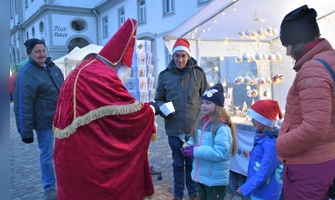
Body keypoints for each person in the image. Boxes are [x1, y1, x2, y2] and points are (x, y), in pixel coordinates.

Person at [52, 18, 158, 200]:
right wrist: (150, 111)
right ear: (119, 64)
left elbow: (104, 116)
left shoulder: (82, 69)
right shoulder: (102, 75)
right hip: (88, 157)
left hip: (67, 156)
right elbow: (129, 113)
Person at [275, 5, 335, 199]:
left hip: (308, 165)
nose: (286, 53)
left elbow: (314, 128)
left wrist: (281, 144)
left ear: (297, 41)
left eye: (287, 45)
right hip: (326, 156)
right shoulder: (333, 60)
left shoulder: (312, 70)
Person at [155, 37, 209, 200]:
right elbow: (159, 98)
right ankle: (178, 194)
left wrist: (206, 117)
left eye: (183, 56)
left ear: (188, 56)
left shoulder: (198, 73)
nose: (180, 59)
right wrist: (164, 109)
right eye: (177, 56)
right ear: (172, 56)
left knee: (192, 162)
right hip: (174, 127)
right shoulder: (164, 76)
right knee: (178, 164)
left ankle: (193, 193)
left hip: (193, 127)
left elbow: (206, 96)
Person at [13, 38, 64, 200]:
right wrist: (25, 131)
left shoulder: (52, 67)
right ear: (29, 53)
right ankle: (50, 188)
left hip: (62, 119)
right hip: (44, 123)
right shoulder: (25, 74)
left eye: (43, 50)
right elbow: (22, 103)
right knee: (47, 156)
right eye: (37, 51)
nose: (42, 54)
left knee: (64, 152)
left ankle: (67, 181)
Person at [181, 83, 237, 200]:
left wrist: (195, 151)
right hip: (202, 177)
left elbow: (221, 153)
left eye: (208, 103)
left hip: (215, 181)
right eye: (202, 103)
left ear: (218, 105)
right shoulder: (202, 122)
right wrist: (189, 145)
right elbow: (195, 139)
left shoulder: (222, 128)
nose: (203, 106)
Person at [236, 100, 283, 200]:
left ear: (264, 120)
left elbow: (265, 170)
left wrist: (247, 187)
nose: (252, 121)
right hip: (259, 191)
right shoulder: (262, 139)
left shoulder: (270, 144)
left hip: (266, 194)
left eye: (255, 118)